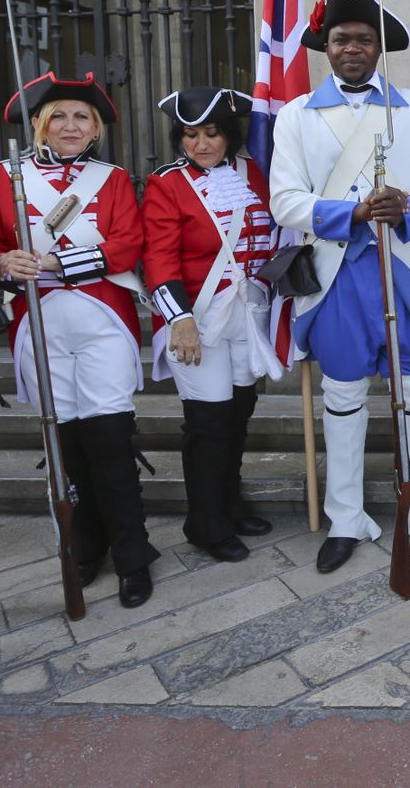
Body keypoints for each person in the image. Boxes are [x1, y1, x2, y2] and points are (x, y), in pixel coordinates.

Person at [267, 0, 410, 574]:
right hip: (336, 274)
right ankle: (346, 517)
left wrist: (409, 207)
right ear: (326, 48)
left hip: (401, 268)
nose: (352, 48)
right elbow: (284, 200)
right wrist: (350, 212)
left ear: (379, 49)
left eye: (363, 39)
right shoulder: (297, 114)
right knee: (344, 395)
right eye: (341, 39)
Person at [0, 69, 160, 609]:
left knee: (109, 437)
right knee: (64, 443)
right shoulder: (1, 176)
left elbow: (127, 245)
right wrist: (1, 263)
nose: (70, 124)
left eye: (82, 116)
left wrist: (58, 263)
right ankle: (85, 545)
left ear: (97, 129)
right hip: (37, 320)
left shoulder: (112, 178)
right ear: (37, 123)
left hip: (102, 317)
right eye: (57, 115)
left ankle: (132, 554)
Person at [141, 87, 276, 564]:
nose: (201, 144)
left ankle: (229, 503)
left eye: (212, 134)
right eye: (190, 135)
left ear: (229, 135)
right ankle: (204, 522)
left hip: (249, 313)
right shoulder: (166, 184)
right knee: (208, 422)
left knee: (238, 413)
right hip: (197, 316)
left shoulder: (255, 174)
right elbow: (158, 259)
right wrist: (178, 320)